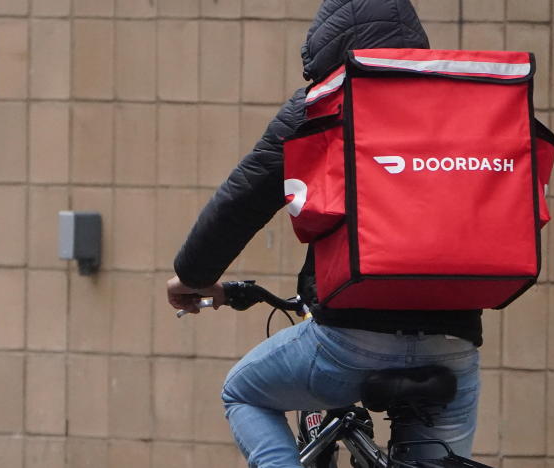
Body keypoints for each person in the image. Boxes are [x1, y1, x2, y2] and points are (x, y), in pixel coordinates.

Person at [166, 1, 484, 466]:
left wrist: (191, 276)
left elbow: (241, 201)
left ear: (325, 41)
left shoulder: (321, 105)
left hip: (352, 338)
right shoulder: (468, 102)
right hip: (453, 343)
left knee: (244, 393)